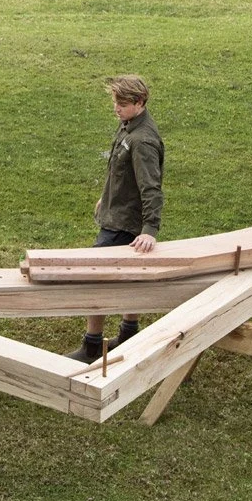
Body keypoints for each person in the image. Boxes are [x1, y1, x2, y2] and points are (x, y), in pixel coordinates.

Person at [68, 75, 164, 363]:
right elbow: (120, 172)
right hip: (116, 214)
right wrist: (106, 197)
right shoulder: (128, 126)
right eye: (115, 102)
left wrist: (149, 229)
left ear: (140, 102)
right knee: (131, 276)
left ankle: (92, 345)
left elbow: (151, 188)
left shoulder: (142, 140)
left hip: (124, 226)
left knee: (96, 279)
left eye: (122, 104)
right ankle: (128, 334)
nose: (116, 108)